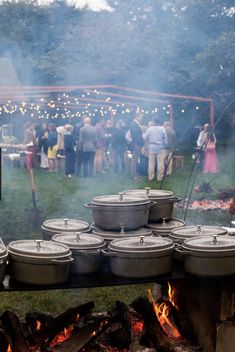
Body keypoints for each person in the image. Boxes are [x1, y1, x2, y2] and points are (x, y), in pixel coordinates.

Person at [144, 117, 168, 181]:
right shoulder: (162, 129)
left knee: (151, 163)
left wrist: (148, 143)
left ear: (154, 122)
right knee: (160, 163)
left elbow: (145, 137)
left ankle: (151, 177)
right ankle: (159, 177)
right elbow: (165, 139)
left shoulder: (150, 129)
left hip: (151, 147)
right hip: (160, 147)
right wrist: (164, 145)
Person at [129, 112, 145, 180]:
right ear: (137, 117)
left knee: (136, 160)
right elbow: (136, 136)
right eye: (141, 117)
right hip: (136, 144)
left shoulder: (135, 124)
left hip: (137, 144)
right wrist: (141, 142)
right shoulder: (133, 124)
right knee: (134, 160)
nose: (142, 118)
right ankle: (133, 175)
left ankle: (135, 174)